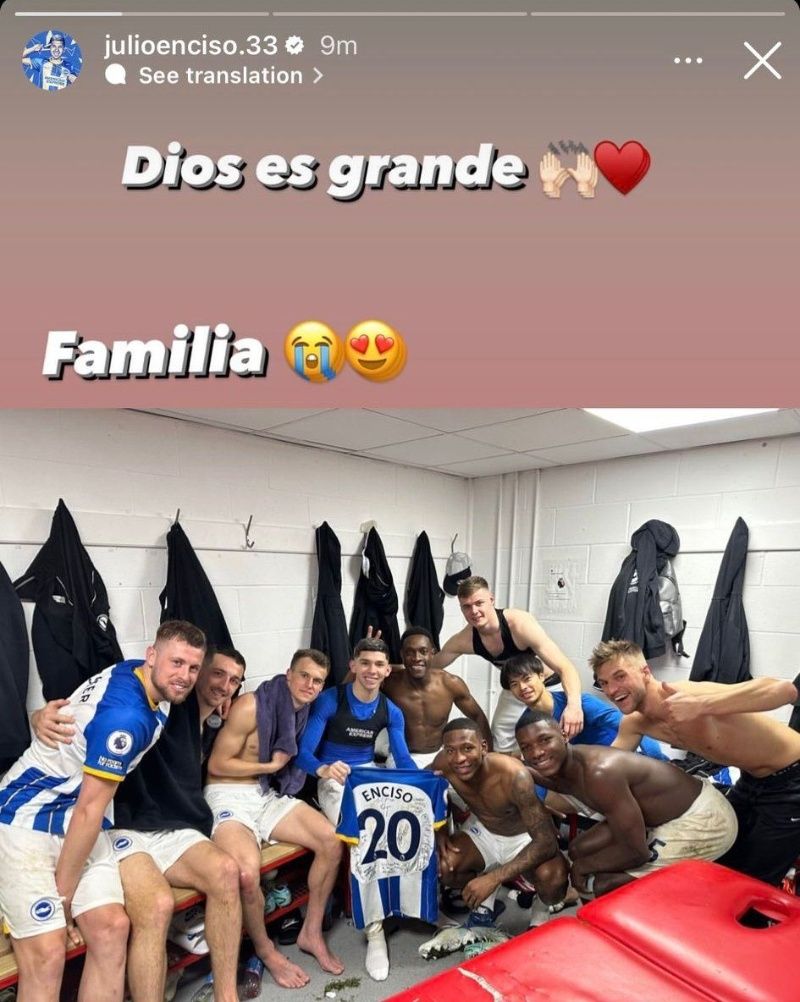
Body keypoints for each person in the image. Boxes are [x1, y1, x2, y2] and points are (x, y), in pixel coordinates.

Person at [0, 619, 205, 1002]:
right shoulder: (127, 718)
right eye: (176, 663)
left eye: (193, 667)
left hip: (75, 820)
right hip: (26, 817)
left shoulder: (144, 679)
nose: (185, 676)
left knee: (112, 929)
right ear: (152, 655)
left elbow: (79, 717)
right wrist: (63, 903)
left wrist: (38, 715)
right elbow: (88, 811)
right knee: (48, 953)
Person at [33, 641, 244, 1002]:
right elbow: (86, 705)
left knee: (227, 872)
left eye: (233, 680)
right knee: (156, 905)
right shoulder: (165, 699)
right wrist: (38, 716)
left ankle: (227, 996)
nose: (223, 685)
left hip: (174, 827)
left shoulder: (216, 720)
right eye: (216, 674)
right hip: (124, 826)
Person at [591, 638, 800, 886]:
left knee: (755, 881)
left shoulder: (687, 693)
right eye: (604, 683)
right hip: (751, 781)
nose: (612, 690)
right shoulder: (635, 723)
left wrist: (702, 706)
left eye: (620, 676)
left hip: (794, 779)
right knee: (721, 857)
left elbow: (784, 691)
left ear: (645, 671)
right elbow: (602, 771)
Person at [205, 649, 344, 989]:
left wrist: (321, 770)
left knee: (331, 840)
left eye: (317, 681)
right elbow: (216, 765)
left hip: (265, 793)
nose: (310, 685)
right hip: (228, 795)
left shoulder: (303, 710)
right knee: (246, 873)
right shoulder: (251, 706)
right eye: (304, 676)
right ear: (288, 674)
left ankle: (311, 932)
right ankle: (265, 950)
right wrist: (269, 766)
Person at [515, 709, 738, 899]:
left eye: (545, 740)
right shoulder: (568, 766)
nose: (537, 752)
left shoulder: (599, 772)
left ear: (564, 735)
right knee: (576, 849)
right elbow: (551, 780)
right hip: (658, 815)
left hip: (704, 819)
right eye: (526, 747)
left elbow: (637, 852)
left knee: (601, 883)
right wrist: (509, 767)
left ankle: (642, 923)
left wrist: (582, 868)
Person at [296, 637, 417, 982]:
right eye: (365, 663)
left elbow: (403, 759)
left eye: (379, 664)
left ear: (388, 670)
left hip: (369, 775)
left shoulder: (390, 711)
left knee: (406, 823)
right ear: (353, 665)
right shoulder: (331, 700)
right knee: (367, 838)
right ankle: (374, 932)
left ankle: (404, 902)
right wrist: (323, 769)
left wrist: (427, 782)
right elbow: (303, 754)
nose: (371, 670)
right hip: (333, 779)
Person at [432, 718, 568, 928]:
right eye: (450, 750)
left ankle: (540, 910)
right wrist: (440, 830)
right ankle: (486, 898)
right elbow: (429, 791)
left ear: (483, 747)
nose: (459, 758)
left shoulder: (514, 775)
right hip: (483, 831)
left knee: (554, 880)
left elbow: (546, 842)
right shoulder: (443, 763)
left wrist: (494, 878)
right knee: (443, 866)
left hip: (523, 838)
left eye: (467, 748)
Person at [434, 576, 584, 751]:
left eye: (479, 603)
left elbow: (566, 668)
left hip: (547, 687)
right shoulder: (465, 639)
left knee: (558, 735)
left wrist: (574, 705)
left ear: (491, 600)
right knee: (500, 736)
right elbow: (432, 664)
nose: (474, 611)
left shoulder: (519, 624)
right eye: (467, 606)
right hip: (516, 689)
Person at [500, 652, 667, 758]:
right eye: (514, 684)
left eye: (527, 679)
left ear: (541, 676)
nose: (523, 687)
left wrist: (658, 760)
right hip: (586, 772)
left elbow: (635, 725)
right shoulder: (527, 724)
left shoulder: (581, 703)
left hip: (621, 760)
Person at [381, 626, 493, 765]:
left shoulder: (450, 684)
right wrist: (369, 655)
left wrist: (488, 757)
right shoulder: (389, 683)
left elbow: (477, 716)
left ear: (432, 653)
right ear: (402, 655)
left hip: (437, 756)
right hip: (399, 755)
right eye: (410, 652)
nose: (417, 658)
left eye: (423, 651)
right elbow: (358, 683)